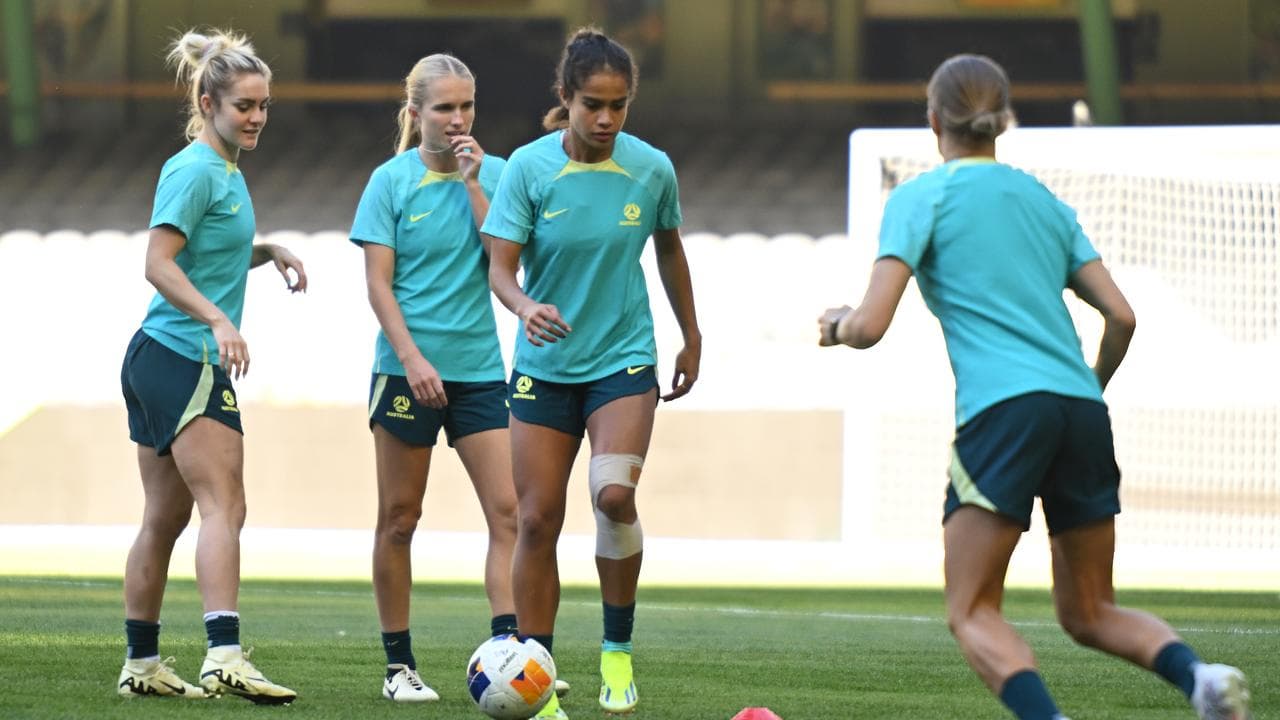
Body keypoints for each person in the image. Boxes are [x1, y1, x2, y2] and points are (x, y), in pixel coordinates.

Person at [817, 54, 1252, 720]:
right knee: (1090, 609)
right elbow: (1122, 316)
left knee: (971, 610)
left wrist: (837, 324)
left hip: (1004, 412)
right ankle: (1202, 678)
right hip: (1081, 409)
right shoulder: (1045, 202)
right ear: (1003, 120)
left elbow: (871, 326)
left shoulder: (920, 197)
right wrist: (1087, 389)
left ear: (933, 120)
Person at [482, 27, 701, 720]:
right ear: (566, 98)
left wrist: (691, 336)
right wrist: (525, 307)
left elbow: (670, 251)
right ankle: (537, 680)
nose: (606, 119)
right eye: (593, 105)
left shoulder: (651, 168)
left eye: (619, 105)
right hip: (544, 369)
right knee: (536, 518)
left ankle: (616, 653)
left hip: (623, 361)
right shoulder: (527, 168)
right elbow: (500, 268)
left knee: (612, 496)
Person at [351, 53, 558, 703]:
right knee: (399, 518)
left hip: (480, 373)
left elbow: (504, 266)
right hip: (405, 371)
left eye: (466, 106)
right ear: (416, 113)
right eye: (444, 107)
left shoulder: (498, 175)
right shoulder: (389, 182)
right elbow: (378, 286)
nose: (458, 118)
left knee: (510, 513)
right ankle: (398, 667)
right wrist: (412, 359)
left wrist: (473, 185)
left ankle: (512, 656)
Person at [117, 28, 304, 704]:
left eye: (264, 106)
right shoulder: (196, 169)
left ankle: (141, 665)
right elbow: (158, 263)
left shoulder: (224, 170)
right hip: (184, 354)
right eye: (244, 106)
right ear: (208, 103)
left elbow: (205, 255)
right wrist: (220, 321)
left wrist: (266, 252)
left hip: (157, 356)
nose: (256, 118)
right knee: (225, 504)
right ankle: (223, 655)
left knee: (163, 519)